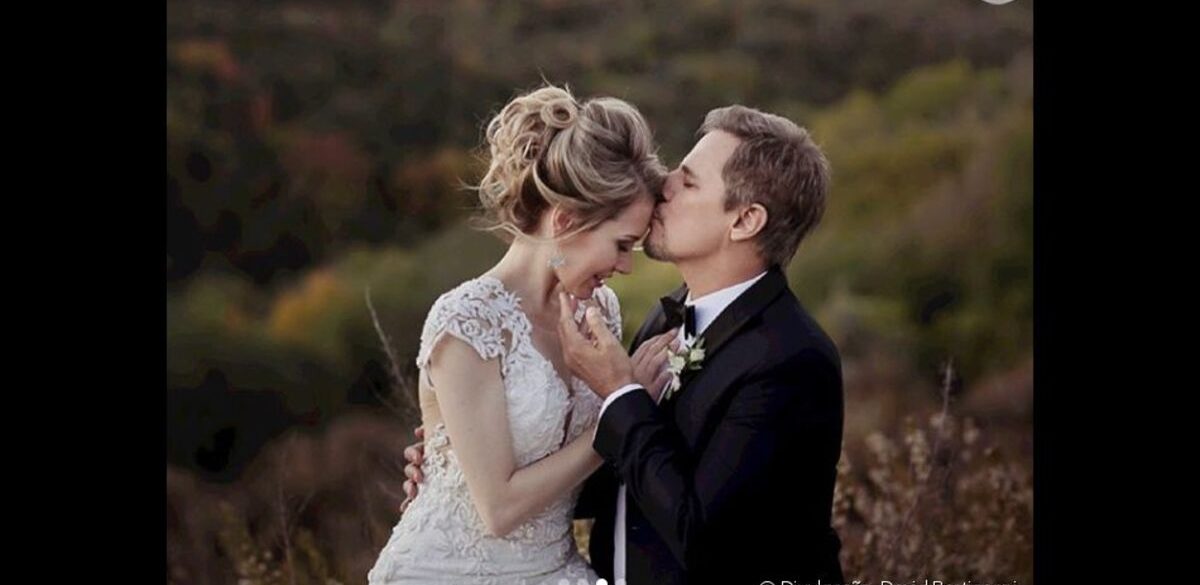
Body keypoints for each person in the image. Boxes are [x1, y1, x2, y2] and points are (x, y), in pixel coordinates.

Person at [402, 104, 845, 585]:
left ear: (744, 221)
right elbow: (628, 482)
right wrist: (459, 473)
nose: (665, 185)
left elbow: (706, 538)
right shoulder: (664, 318)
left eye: (689, 181)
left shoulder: (790, 360)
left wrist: (622, 398)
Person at [367, 83, 669, 585]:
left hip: (555, 567)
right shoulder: (468, 320)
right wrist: (622, 410)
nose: (624, 267)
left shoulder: (602, 312)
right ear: (567, 220)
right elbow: (499, 508)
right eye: (620, 245)